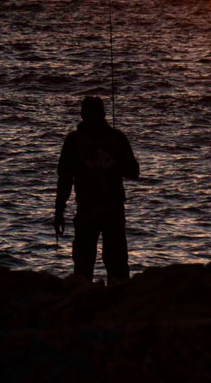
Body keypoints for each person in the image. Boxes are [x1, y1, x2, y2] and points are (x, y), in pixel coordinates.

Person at [53, 96, 140, 283]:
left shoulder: (74, 141)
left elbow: (65, 180)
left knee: (87, 266)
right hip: (105, 209)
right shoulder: (116, 138)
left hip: (94, 210)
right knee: (113, 267)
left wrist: (59, 211)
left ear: (82, 115)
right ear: (104, 114)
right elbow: (134, 171)